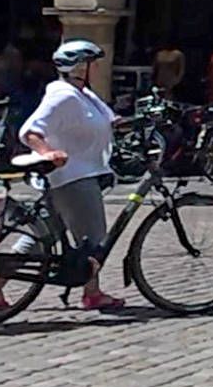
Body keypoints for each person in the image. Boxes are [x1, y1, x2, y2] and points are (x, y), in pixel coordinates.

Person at [15, 38, 132, 314]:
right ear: (79, 67)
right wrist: (48, 152)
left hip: (81, 172)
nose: (95, 69)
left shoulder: (83, 94)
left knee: (42, 235)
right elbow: (30, 131)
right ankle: (91, 293)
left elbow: (112, 121)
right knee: (93, 238)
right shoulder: (62, 95)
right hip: (73, 176)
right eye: (91, 64)